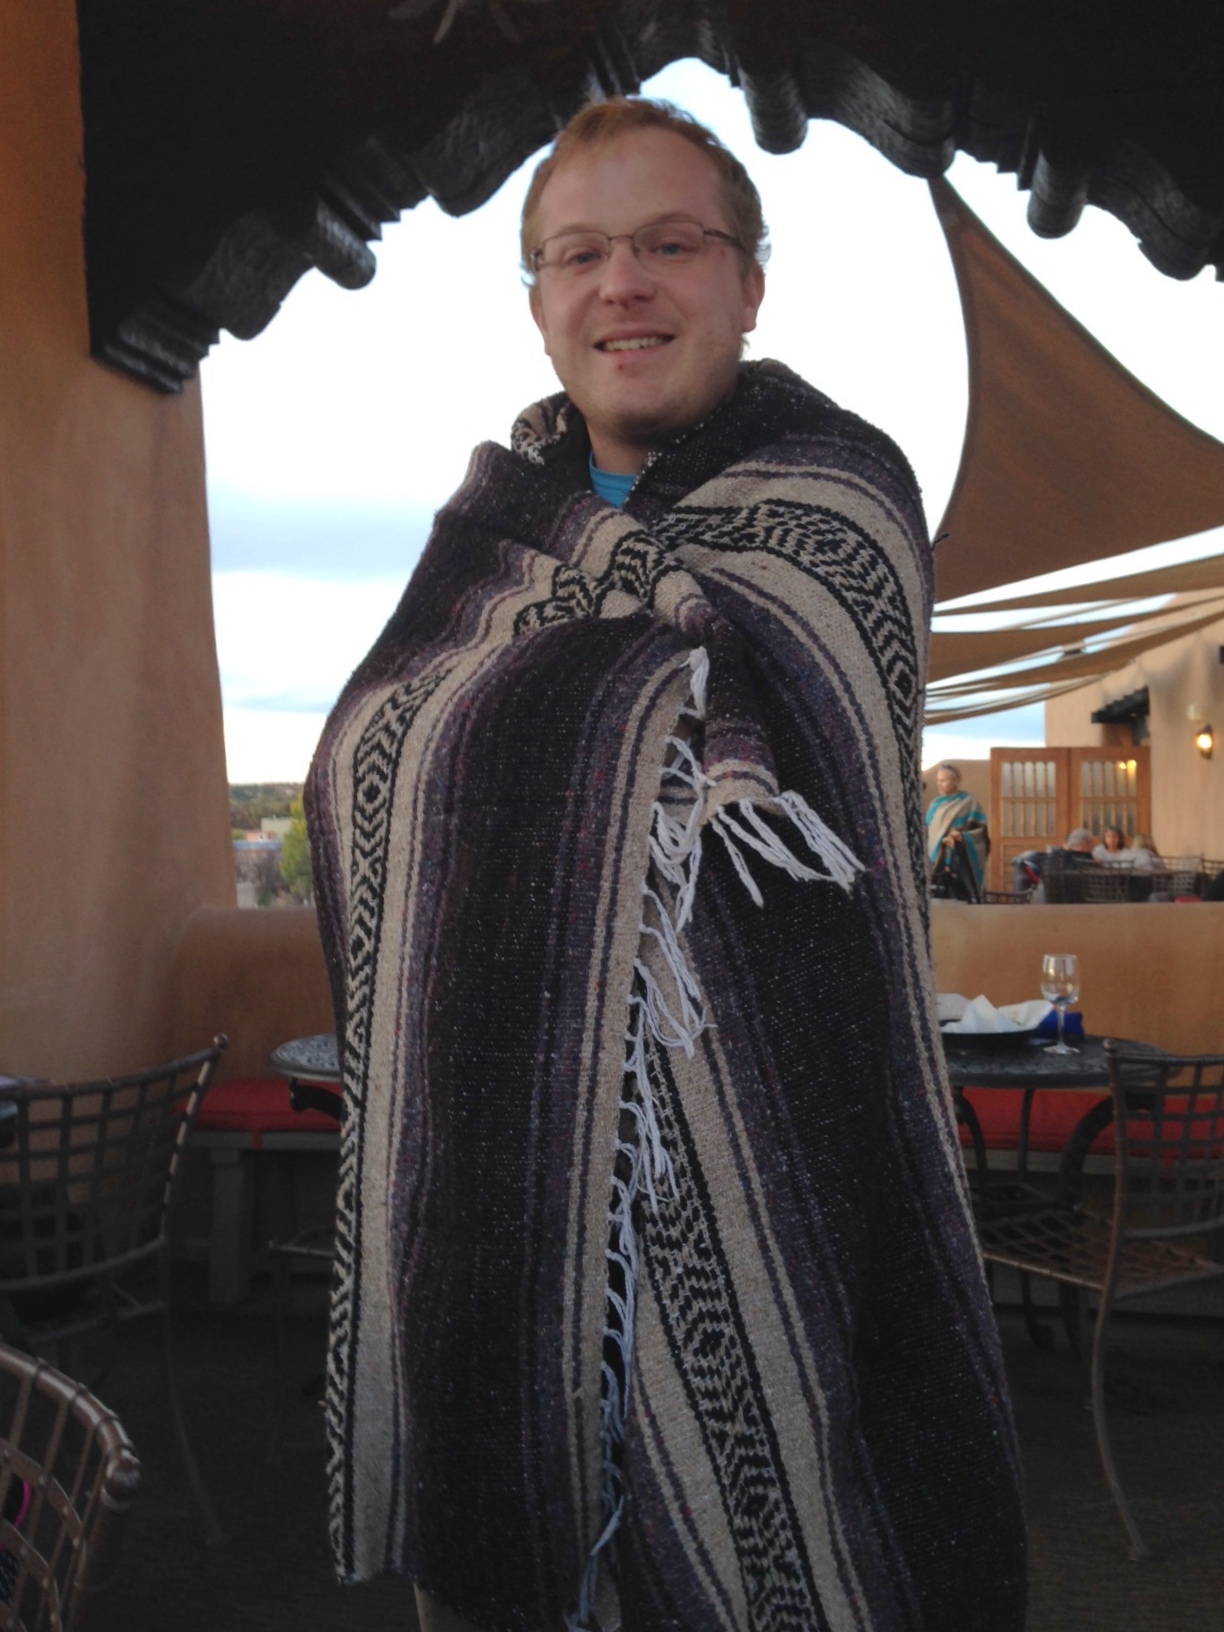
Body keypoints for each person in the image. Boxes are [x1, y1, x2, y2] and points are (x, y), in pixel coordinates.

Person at [306, 98, 1024, 1632]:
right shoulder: (485, 540)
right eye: (578, 254)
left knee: (793, 1548)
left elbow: (744, 775)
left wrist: (497, 730)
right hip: (499, 1176)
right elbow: (384, 768)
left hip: (774, 1154)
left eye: (669, 244)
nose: (620, 283)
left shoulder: (836, 500)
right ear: (538, 302)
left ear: (749, 282)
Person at [924, 761, 989, 900]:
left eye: (944, 781)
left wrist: (961, 837)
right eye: (938, 780)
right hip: (935, 865)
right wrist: (941, 842)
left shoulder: (970, 802)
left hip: (959, 864)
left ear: (955, 781)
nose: (939, 784)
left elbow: (981, 834)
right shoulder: (935, 804)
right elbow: (927, 833)